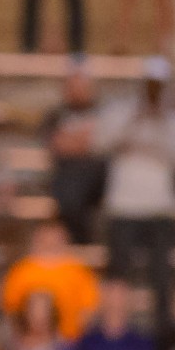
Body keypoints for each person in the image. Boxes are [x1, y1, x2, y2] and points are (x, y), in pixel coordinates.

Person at [96, 59, 175, 323]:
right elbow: (101, 143)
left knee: (162, 276)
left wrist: (157, 126)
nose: (153, 92)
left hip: (160, 207)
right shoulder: (121, 111)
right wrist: (135, 119)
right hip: (124, 205)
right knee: (118, 275)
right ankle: (113, 329)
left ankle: (163, 331)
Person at [1, 222, 100, 341]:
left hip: (69, 341)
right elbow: (11, 311)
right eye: (46, 240)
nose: (51, 244)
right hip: (29, 342)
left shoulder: (80, 272)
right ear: (36, 240)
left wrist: (73, 339)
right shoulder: (20, 271)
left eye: (55, 240)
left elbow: (89, 309)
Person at [41, 70, 107, 247]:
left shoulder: (104, 113)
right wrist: (86, 140)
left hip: (99, 177)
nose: (78, 92)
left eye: (82, 87)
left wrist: (75, 140)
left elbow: (104, 144)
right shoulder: (55, 115)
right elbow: (58, 145)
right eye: (73, 87)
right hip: (68, 177)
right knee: (70, 194)